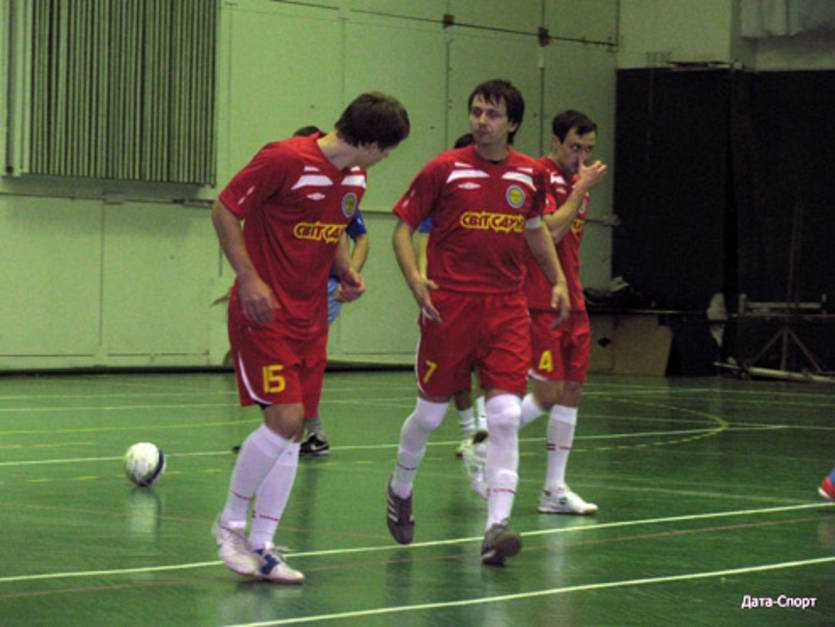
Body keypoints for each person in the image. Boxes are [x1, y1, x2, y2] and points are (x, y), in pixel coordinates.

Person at [211, 92, 409, 584]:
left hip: (311, 318)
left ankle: (264, 545)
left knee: (294, 431)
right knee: (285, 420)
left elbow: (332, 228)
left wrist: (346, 272)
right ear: (369, 143)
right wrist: (249, 279)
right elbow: (224, 210)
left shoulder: (355, 178)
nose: (384, 159)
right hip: (264, 312)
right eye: (386, 150)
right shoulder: (283, 158)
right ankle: (230, 524)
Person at [386, 79, 569, 568]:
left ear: (513, 123)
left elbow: (535, 230)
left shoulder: (530, 174)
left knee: (505, 416)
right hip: (449, 308)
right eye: (476, 112)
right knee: (429, 417)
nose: (481, 121)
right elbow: (402, 228)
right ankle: (400, 487)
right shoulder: (443, 169)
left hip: (505, 309)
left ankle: (496, 527)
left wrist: (557, 280)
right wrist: (415, 279)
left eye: (492, 114)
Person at [517, 110, 607, 515]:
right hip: (540, 299)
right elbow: (550, 231)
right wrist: (580, 188)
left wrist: (579, 186)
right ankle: (483, 442)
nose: (581, 157)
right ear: (555, 142)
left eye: (588, 149)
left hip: (574, 300)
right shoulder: (538, 176)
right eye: (574, 147)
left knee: (572, 391)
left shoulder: (577, 182)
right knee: (548, 392)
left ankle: (553, 490)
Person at [293, 126, 371, 458]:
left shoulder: (340, 190)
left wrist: (348, 274)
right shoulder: (295, 189)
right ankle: (288, 433)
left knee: (301, 360)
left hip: (323, 287)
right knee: (293, 360)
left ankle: (308, 435)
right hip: (293, 287)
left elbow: (360, 237)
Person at [414, 132, 487, 460]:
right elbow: (423, 239)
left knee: (487, 364)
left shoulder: (499, 195)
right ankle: (470, 431)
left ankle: (484, 428)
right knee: (456, 371)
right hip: (448, 298)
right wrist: (422, 280)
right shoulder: (442, 195)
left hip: (487, 296)